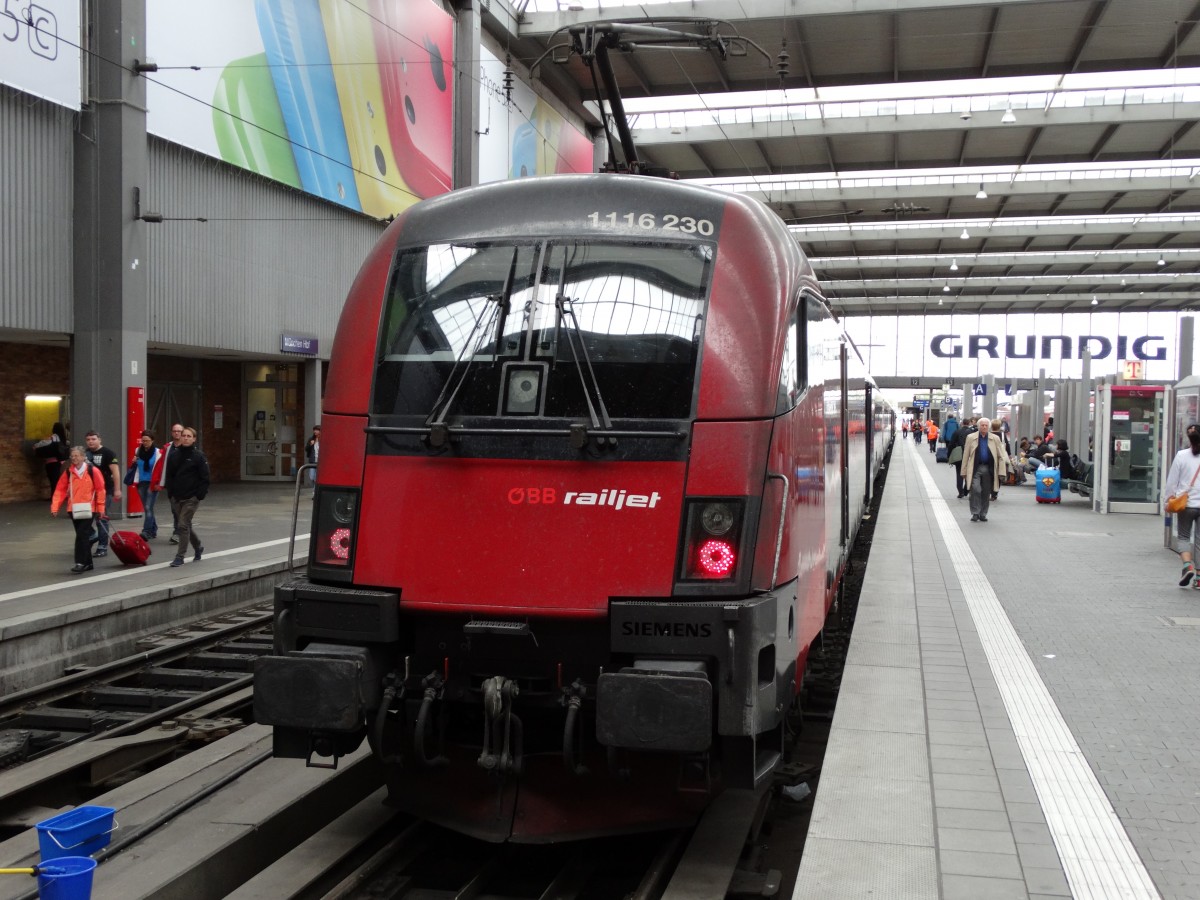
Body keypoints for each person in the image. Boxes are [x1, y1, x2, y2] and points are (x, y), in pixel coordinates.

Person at [50, 446, 106, 574]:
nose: (74, 458)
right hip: (73, 509)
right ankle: (88, 563)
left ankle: (80, 562)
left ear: (83, 457)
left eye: (77, 456)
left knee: (81, 535)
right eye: (72, 456)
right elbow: (60, 490)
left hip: (89, 508)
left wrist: (101, 508)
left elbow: (100, 490)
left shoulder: (93, 471)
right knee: (83, 535)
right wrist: (55, 507)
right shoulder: (68, 472)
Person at [164, 426, 210, 568]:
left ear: (194, 439)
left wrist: (199, 495)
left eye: (189, 436)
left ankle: (180, 557)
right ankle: (198, 547)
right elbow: (169, 475)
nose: (185, 438)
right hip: (176, 497)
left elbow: (205, 477)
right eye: (184, 435)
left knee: (182, 525)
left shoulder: (198, 456)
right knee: (186, 525)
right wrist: (170, 493)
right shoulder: (174, 455)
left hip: (192, 497)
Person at [1166, 424, 1200, 588]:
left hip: (1185, 504)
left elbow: (1172, 482)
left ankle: (1187, 566)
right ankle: (1199, 578)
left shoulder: (1181, 455)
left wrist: (1167, 500)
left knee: (1184, 536)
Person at [962, 417, 1007, 523]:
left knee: (986, 492)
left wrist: (1002, 471)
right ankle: (975, 513)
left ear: (989, 427)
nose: (984, 427)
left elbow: (1001, 456)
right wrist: (963, 471)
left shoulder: (995, 438)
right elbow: (966, 454)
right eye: (982, 425)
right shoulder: (971, 437)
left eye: (986, 425)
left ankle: (983, 514)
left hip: (988, 468)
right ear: (978, 426)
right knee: (975, 489)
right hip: (975, 468)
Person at [84, 431, 121, 558]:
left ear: (99, 440)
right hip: (88, 492)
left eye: (93, 439)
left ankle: (102, 546)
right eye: (88, 439)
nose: (90, 441)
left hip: (105, 490)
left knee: (101, 518)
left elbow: (115, 472)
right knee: (85, 518)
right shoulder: (85, 453)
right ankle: (92, 536)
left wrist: (117, 489)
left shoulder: (108, 453)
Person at [151, 423, 185, 543]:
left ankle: (179, 532)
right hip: (171, 484)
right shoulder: (167, 448)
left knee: (183, 509)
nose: (177, 433)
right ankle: (180, 531)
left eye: (179, 431)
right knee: (175, 509)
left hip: (185, 484)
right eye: (174, 431)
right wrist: (158, 481)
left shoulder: (187, 448)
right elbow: (160, 465)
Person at [131, 430, 161, 540]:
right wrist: (134, 461)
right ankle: (153, 529)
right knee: (148, 508)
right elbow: (136, 467)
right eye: (143, 441)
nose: (145, 443)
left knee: (148, 507)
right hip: (141, 482)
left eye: (147, 441)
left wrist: (158, 483)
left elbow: (160, 469)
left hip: (152, 483)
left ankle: (146, 531)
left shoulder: (158, 453)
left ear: (152, 441)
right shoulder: (138, 450)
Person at [33, 422, 69, 491]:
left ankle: (54, 496)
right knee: (59, 482)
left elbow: (42, 444)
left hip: (52, 463)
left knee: (53, 483)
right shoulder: (64, 439)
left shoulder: (53, 437)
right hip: (62, 463)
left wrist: (35, 446)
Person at [949, 417, 977, 498]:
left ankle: (960, 492)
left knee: (959, 473)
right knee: (969, 473)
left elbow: (951, 444)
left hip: (959, 456)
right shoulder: (972, 432)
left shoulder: (957, 431)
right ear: (969, 423)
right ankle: (966, 490)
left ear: (962, 423)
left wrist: (949, 455)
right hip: (970, 455)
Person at [304, 425, 321, 489]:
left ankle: (315, 491)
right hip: (313, 461)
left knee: (317, 477)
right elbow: (306, 449)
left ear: (320, 431)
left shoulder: (323, 439)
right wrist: (310, 444)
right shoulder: (311, 439)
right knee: (312, 477)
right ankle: (315, 489)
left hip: (320, 461)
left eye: (316, 430)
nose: (315, 431)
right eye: (314, 430)